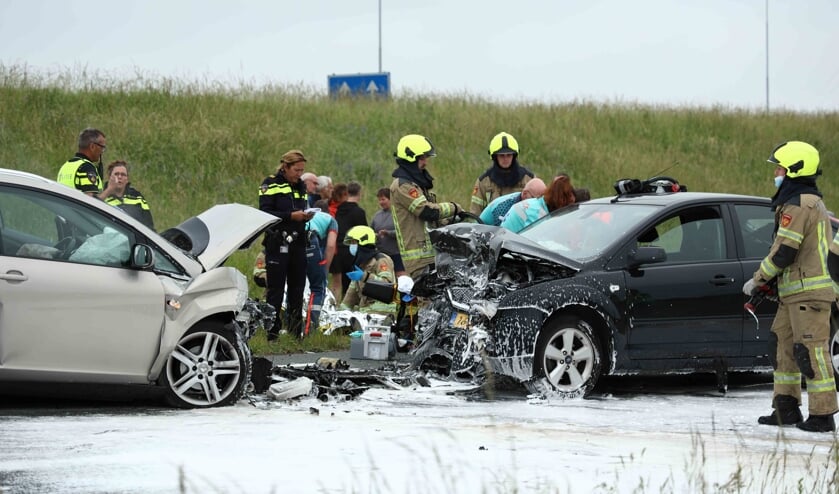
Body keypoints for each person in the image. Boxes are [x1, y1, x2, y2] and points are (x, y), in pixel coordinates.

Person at [743, 141, 837, 433]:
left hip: (809, 292)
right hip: (793, 292)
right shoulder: (798, 201)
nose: (777, 173)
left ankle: (822, 416)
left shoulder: (799, 204)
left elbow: (784, 251)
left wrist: (758, 279)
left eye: (781, 168)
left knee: (811, 352)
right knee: (782, 347)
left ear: (795, 170)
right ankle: (786, 409)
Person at [259, 149, 316, 340]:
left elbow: (302, 207)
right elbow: (265, 213)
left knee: (297, 288)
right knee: (275, 290)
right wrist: (291, 216)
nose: (299, 174)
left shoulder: (301, 186)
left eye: (302, 170)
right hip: (278, 242)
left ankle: (295, 333)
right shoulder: (270, 184)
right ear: (285, 167)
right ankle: (271, 333)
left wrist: (305, 215)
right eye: (296, 170)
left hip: (298, 242)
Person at [390, 134, 462, 278]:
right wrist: (453, 207)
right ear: (411, 158)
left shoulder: (415, 185)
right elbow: (427, 211)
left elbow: (428, 222)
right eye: (422, 158)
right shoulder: (403, 186)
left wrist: (452, 221)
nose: (425, 162)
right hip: (420, 260)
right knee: (427, 300)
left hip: (430, 256)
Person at [469, 132, 535, 215]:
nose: (505, 159)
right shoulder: (484, 182)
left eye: (508, 155)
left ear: (514, 156)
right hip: (493, 227)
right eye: (502, 155)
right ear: (495, 157)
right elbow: (475, 214)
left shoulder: (529, 180)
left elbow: (538, 210)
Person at [339, 225, 397, 316]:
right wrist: (340, 313)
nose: (351, 246)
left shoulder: (381, 260)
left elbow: (387, 284)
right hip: (365, 313)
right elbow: (351, 294)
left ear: (363, 241)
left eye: (354, 242)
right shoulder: (361, 264)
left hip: (382, 314)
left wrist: (364, 276)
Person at [500, 174, 576, 233]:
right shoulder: (537, 214)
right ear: (561, 201)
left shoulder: (537, 204)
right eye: (569, 205)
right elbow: (535, 244)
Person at [57, 128, 118, 199]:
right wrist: (110, 189)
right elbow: (91, 202)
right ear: (92, 146)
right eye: (102, 147)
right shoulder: (86, 167)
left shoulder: (66, 166)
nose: (102, 151)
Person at [304, 210, 338, 334]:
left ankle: (292, 326)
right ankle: (310, 329)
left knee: (294, 286)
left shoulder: (310, 215)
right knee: (318, 288)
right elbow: (330, 246)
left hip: (295, 238)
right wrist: (325, 269)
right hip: (310, 240)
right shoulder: (332, 221)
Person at [335, 181, 368, 296]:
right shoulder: (358, 212)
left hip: (337, 248)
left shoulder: (338, 210)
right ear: (359, 193)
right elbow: (364, 233)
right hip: (352, 250)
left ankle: (341, 304)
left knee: (341, 281)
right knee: (355, 281)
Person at [102, 161, 155, 230]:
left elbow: (149, 224)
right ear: (109, 177)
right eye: (116, 174)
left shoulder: (137, 197)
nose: (119, 177)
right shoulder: (103, 198)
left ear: (127, 179)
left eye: (123, 174)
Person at [479, 178, 546, 226]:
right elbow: (501, 235)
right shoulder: (504, 207)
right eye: (535, 199)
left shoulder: (526, 201)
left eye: (541, 199)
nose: (538, 203)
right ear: (525, 194)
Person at [370, 187, 406, 276]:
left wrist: (388, 233)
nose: (381, 202)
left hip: (397, 253)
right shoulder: (376, 216)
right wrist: (375, 236)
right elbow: (371, 231)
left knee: (401, 277)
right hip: (382, 255)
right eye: (379, 200)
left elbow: (404, 232)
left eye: (383, 199)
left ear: (390, 199)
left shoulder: (398, 213)